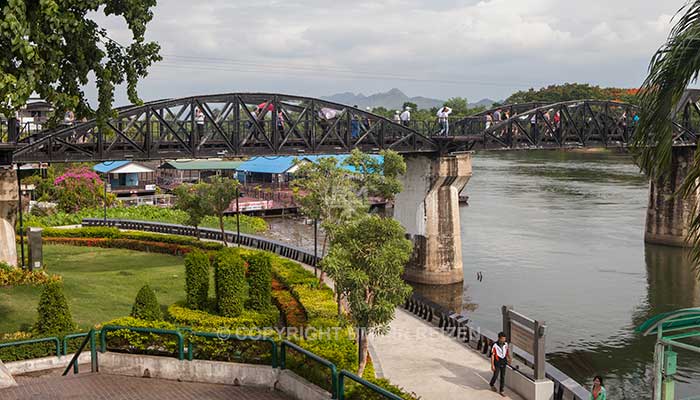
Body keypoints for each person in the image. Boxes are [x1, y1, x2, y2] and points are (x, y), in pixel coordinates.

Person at [489, 332, 512, 396]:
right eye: (502, 339)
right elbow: (492, 355)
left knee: (503, 376)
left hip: (504, 361)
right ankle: (491, 384)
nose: (504, 340)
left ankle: (501, 390)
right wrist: (492, 365)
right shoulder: (494, 345)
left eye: (504, 339)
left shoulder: (506, 344)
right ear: (499, 338)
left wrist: (509, 358)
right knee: (495, 375)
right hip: (497, 362)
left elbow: (507, 352)